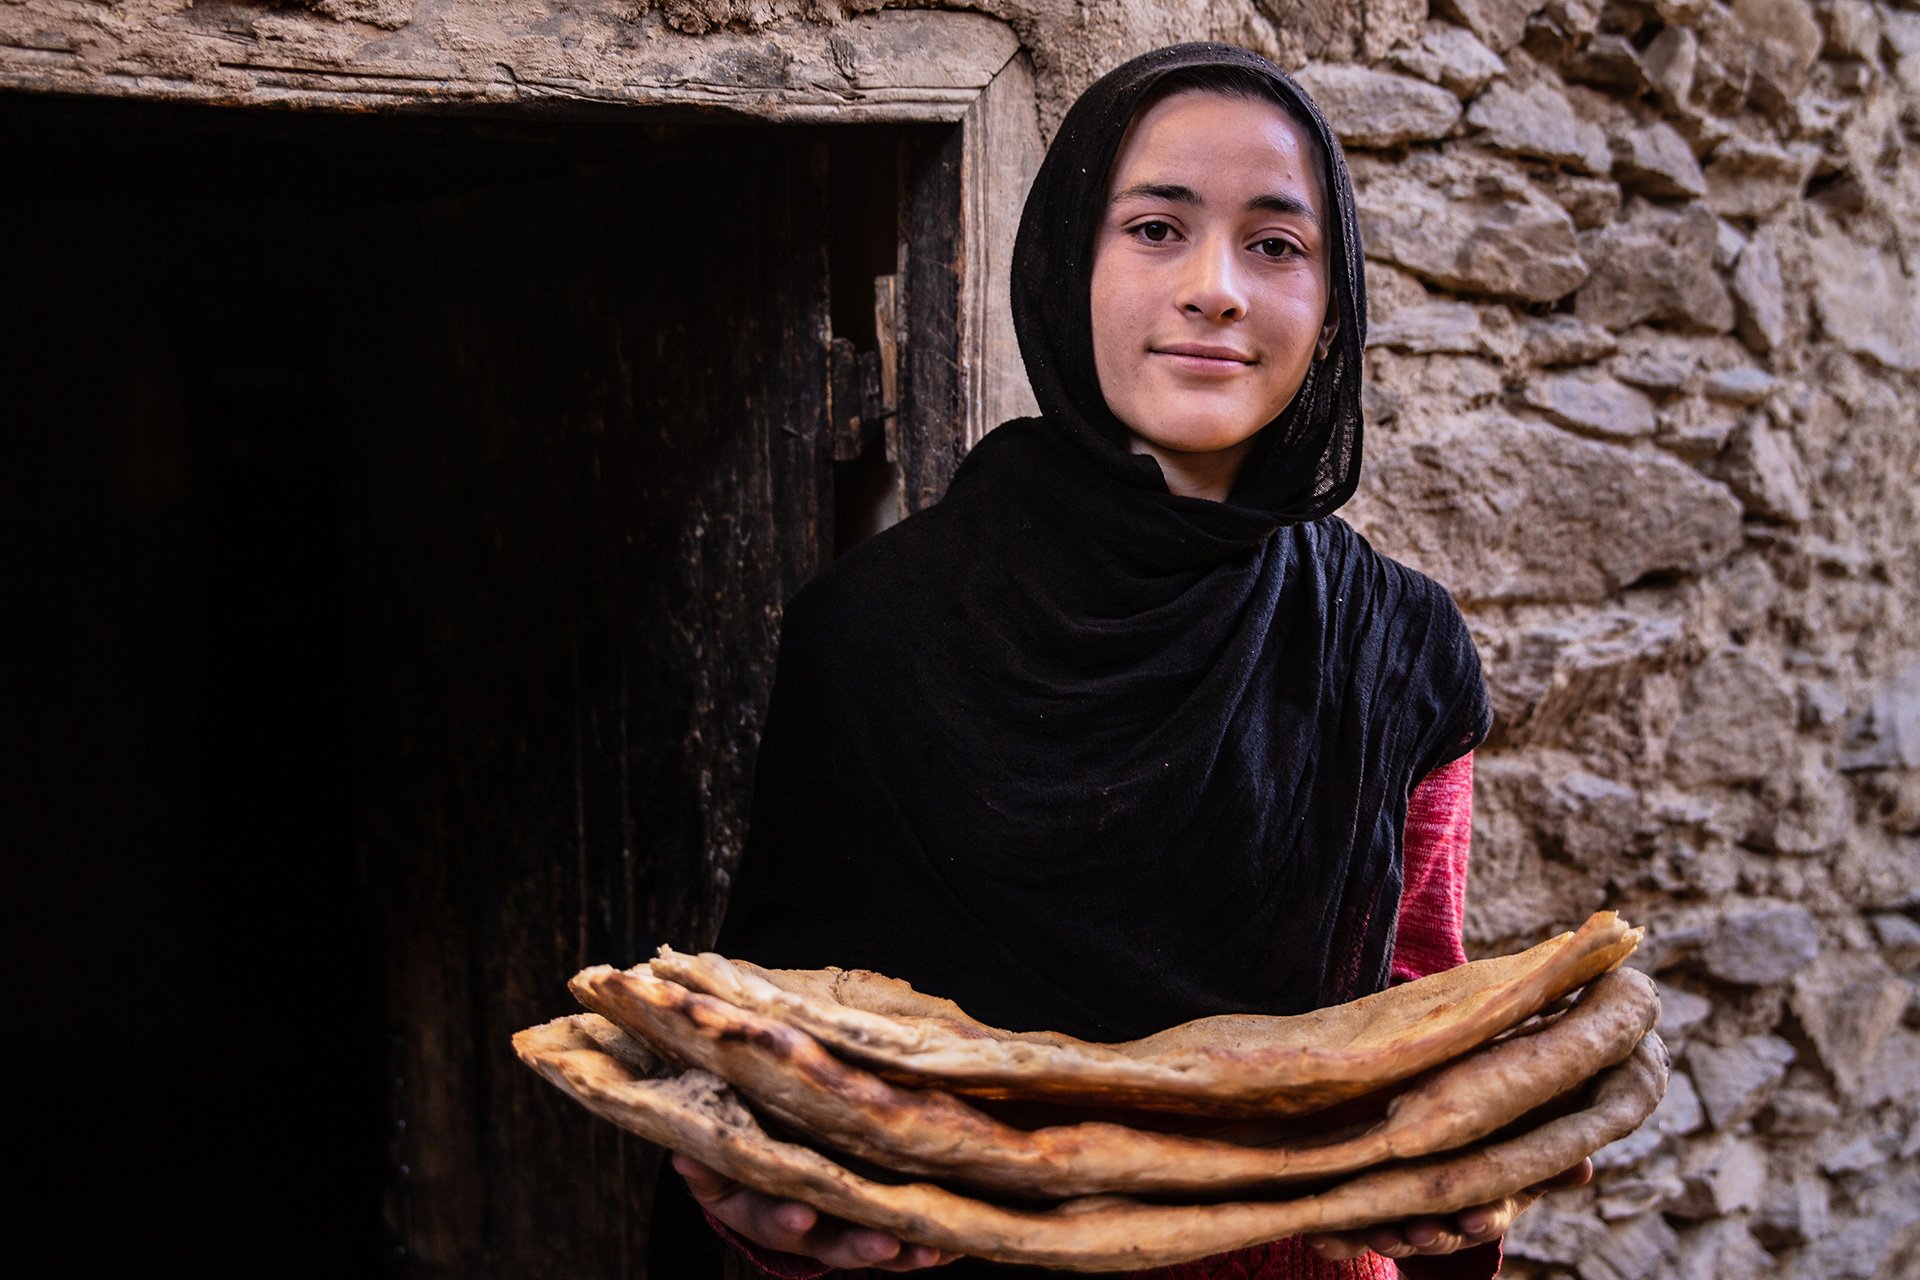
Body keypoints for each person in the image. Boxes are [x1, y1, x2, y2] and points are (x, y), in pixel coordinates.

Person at [664, 41, 1589, 1278]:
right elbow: (782, 1048)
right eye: (1156, 227)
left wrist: (1471, 1180)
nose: (1217, 288)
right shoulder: (871, 630)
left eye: (1276, 244)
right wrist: (777, 1212)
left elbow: (1421, 1015)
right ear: (1062, 261)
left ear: (1333, 299)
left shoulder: (1396, 647)